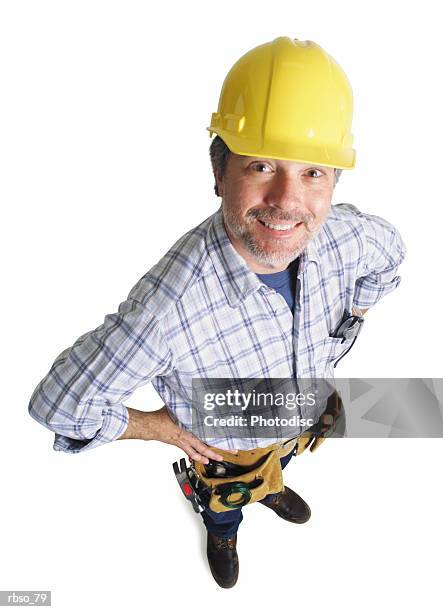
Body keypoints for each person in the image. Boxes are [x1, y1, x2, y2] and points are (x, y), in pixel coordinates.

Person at [28, 36, 406, 588]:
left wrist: (357, 314)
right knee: (227, 494)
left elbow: (391, 255)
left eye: (312, 173)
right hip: (222, 448)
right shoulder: (168, 310)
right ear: (219, 171)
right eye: (260, 165)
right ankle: (223, 527)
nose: (286, 199)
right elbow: (59, 405)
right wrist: (153, 425)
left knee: (276, 464)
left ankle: (273, 487)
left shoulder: (349, 236)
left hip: (295, 416)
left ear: (333, 183)